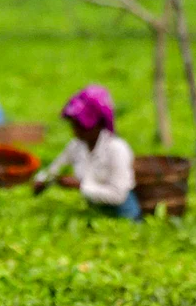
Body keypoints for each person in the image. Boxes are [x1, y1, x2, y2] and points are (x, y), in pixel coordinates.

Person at [33, 85, 140, 220]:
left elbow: (118, 195)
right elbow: (55, 168)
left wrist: (80, 186)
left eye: (82, 126)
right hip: (95, 213)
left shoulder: (116, 149)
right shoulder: (77, 146)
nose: (76, 131)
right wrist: (41, 180)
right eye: (74, 125)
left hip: (123, 216)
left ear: (99, 124)